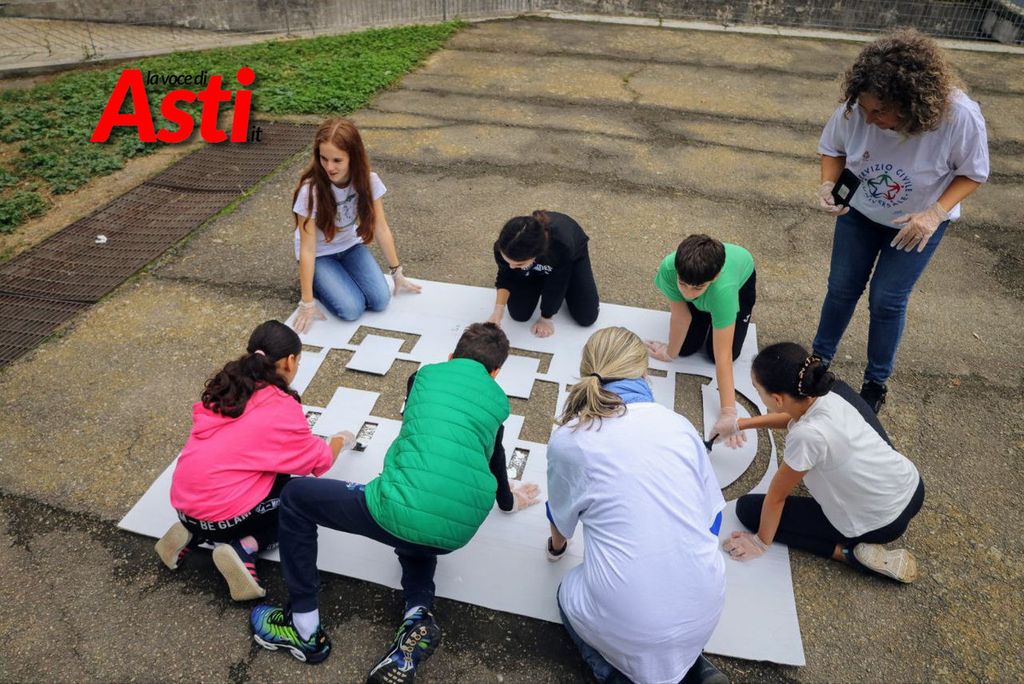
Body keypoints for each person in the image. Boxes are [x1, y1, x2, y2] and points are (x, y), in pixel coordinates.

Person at [249, 322, 541, 682]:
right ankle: (417, 615)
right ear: (496, 373)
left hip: (399, 508)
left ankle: (303, 628)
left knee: (295, 497)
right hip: (454, 532)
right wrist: (510, 502)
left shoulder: (423, 376)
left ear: (451, 356)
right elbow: (497, 461)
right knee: (420, 537)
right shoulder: (497, 405)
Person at [812, 29, 989, 413]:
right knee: (841, 288)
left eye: (880, 112)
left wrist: (935, 213)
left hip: (915, 225)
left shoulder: (959, 117)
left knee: (887, 300)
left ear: (911, 104)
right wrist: (828, 183)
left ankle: (875, 383)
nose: (869, 119)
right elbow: (833, 148)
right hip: (860, 214)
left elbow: (973, 172)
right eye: (865, 109)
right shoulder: (857, 109)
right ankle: (818, 360)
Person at [546, 326, 728, 684]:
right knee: (657, 617)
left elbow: (560, 523)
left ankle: (618, 675)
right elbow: (712, 519)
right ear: (644, 372)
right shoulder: (678, 425)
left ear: (586, 372)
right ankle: (692, 665)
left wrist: (556, 549)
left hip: (632, 624)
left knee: (566, 590)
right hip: (706, 606)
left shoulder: (570, 440)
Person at [154, 320, 354, 601]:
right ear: (290, 361)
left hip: (185, 508)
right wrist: (339, 441)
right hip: (226, 519)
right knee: (297, 501)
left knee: (250, 472)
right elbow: (318, 461)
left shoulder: (227, 387)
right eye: (298, 362)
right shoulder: (280, 406)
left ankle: (192, 533)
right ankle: (245, 547)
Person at [723, 343, 924, 583]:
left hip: (882, 523)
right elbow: (793, 415)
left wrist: (760, 542)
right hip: (912, 486)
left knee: (748, 510)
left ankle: (846, 554)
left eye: (757, 389)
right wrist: (741, 423)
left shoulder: (806, 437)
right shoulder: (829, 393)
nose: (756, 392)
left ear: (776, 399)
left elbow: (776, 497)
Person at [290, 117, 421, 333]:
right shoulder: (309, 190)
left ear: (353, 156)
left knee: (380, 300)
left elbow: (381, 227)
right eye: (323, 158)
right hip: (320, 255)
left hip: (350, 246)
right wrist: (307, 301)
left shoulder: (368, 181)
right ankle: (315, 281)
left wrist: (397, 272)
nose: (329, 167)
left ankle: (333, 279)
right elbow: (307, 248)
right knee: (351, 309)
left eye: (337, 160)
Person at [648, 234, 756, 449]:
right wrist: (670, 352)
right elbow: (681, 316)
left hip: (738, 282)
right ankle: (706, 309)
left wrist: (728, 413)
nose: (687, 293)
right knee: (685, 349)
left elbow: (723, 354)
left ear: (714, 277)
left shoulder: (724, 290)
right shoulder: (669, 268)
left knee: (717, 355)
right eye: (682, 284)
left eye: (696, 288)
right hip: (707, 289)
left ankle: (712, 311)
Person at [488, 210, 599, 338]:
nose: (512, 267)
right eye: (508, 261)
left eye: (518, 264)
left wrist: (546, 317)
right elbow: (505, 275)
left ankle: (548, 275)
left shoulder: (562, 245)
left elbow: (558, 283)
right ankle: (537, 274)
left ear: (537, 254)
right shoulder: (504, 247)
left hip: (572, 257)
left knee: (587, 317)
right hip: (539, 262)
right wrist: (498, 310)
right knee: (519, 315)